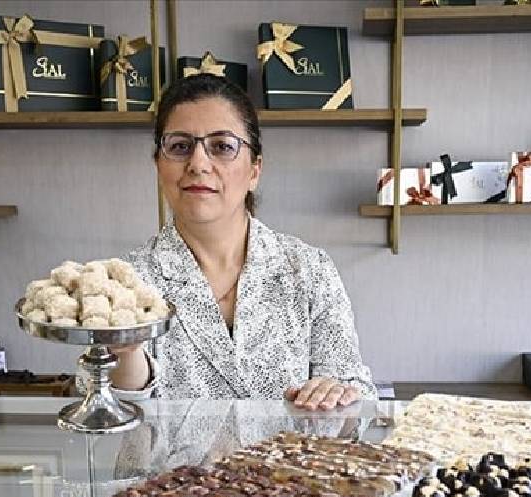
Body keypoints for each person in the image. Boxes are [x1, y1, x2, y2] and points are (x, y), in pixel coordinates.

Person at [110, 74, 375, 411]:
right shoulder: (127, 281)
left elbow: (356, 392)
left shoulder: (308, 269)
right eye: (180, 147)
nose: (198, 164)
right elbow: (108, 409)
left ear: (254, 170)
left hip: (289, 449)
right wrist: (128, 353)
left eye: (222, 146)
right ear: (158, 166)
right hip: (161, 450)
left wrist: (336, 393)